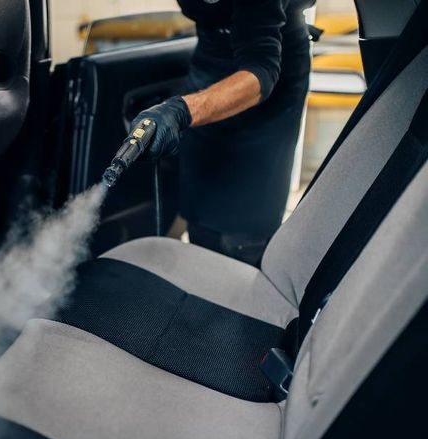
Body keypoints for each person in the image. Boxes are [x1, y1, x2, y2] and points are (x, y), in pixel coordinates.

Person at [132, 0, 315, 265]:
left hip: (265, 77)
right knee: (199, 195)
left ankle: (244, 259)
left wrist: (182, 110)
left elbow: (261, 71)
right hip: (211, 58)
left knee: (241, 218)